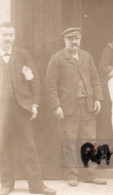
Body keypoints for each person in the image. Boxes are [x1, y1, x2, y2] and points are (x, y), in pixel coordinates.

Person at [44, 27, 106, 187]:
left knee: (90, 141)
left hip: (87, 107)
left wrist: (98, 98)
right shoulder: (57, 58)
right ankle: (72, 175)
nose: (74, 42)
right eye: (70, 39)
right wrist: (56, 106)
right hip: (68, 109)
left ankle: (91, 174)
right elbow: (50, 85)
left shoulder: (87, 56)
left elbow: (95, 78)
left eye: (77, 38)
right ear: (65, 41)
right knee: (70, 141)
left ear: (80, 39)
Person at [0, 22, 56, 195]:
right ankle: (7, 184)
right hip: (1, 109)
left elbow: (34, 80)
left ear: (14, 36)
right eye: (4, 35)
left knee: (28, 146)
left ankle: (36, 186)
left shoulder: (22, 55)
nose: (7, 38)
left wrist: (34, 104)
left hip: (21, 107)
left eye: (10, 35)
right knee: (3, 145)